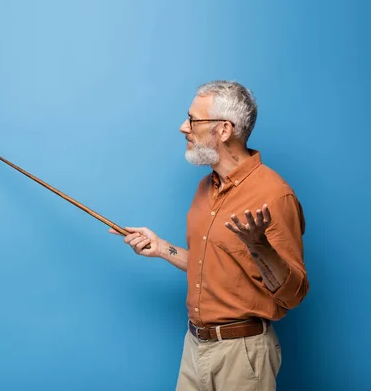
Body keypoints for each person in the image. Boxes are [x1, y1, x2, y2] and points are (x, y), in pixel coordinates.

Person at [109, 80, 308, 390]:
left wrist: (260, 248)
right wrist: (163, 249)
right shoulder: (205, 187)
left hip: (243, 355)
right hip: (195, 347)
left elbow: (294, 295)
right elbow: (214, 266)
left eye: (193, 120)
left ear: (224, 130)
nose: (183, 128)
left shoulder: (275, 195)